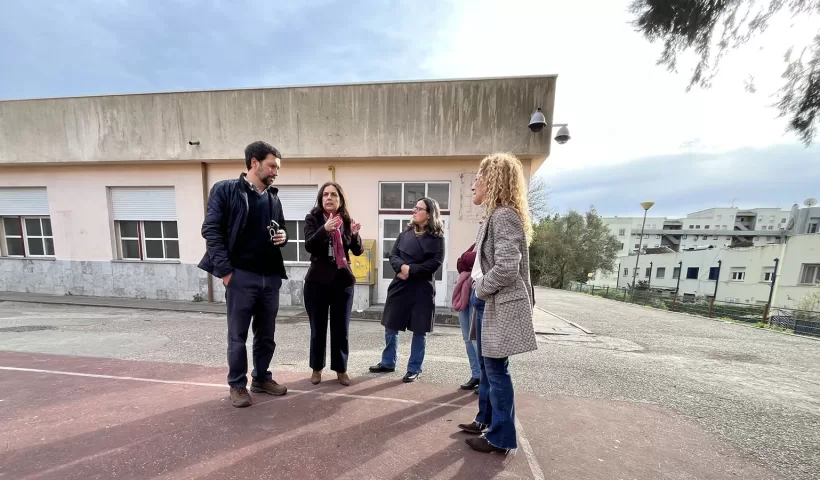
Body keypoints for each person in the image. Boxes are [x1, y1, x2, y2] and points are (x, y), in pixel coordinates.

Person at [198, 140, 290, 408]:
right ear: (254, 163)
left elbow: (281, 228)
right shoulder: (226, 190)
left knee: (266, 335)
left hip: (270, 277)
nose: (275, 172)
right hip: (241, 276)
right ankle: (237, 385)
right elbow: (211, 231)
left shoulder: (273, 197)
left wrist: (283, 237)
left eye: (277, 168)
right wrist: (226, 272)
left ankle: (261, 378)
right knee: (238, 336)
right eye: (271, 166)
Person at [457, 153, 538, 453]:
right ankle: (485, 420)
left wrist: (479, 290)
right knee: (487, 367)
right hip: (489, 300)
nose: (473, 184)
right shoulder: (495, 215)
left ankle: (500, 437)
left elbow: (506, 268)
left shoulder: (504, 215)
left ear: (493, 181)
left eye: (478, 178)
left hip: (494, 300)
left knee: (495, 369)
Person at [369, 197, 445, 383]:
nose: (414, 211)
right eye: (415, 207)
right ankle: (388, 362)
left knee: (419, 329)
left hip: (422, 288)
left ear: (429, 214)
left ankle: (414, 368)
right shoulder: (405, 234)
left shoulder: (437, 238)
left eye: (419, 208)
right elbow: (393, 255)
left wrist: (410, 270)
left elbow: (435, 263)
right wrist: (402, 267)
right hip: (400, 285)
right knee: (391, 325)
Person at [303, 182, 363, 386]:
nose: (329, 198)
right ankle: (316, 368)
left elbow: (357, 251)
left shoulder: (346, 220)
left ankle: (341, 369)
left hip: (342, 281)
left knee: (341, 329)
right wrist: (324, 229)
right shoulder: (312, 218)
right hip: (317, 282)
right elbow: (309, 245)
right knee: (317, 328)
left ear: (340, 199)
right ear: (321, 199)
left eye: (334, 194)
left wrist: (354, 234)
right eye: (325, 194)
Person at [452, 242, 481, 392]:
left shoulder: (490, 239)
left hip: (479, 290)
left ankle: (484, 378)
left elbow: (471, 259)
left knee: (476, 338)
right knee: (467, 337)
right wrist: (466, 259)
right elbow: (460, 263)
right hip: (466, 288)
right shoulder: (476, 242)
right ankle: (476, 375)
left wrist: (466, 258)